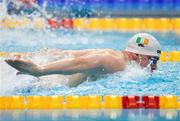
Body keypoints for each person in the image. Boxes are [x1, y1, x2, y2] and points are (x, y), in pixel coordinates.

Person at [5, 33, 161, 86]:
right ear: (136, 55)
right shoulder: (115, 62)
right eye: (152, 60)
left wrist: (34, 58)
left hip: (40, 81)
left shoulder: (113, 54)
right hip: (44, 84)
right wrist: (39, 70)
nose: (154, 67)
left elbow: (69, 54)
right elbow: (79, 63)